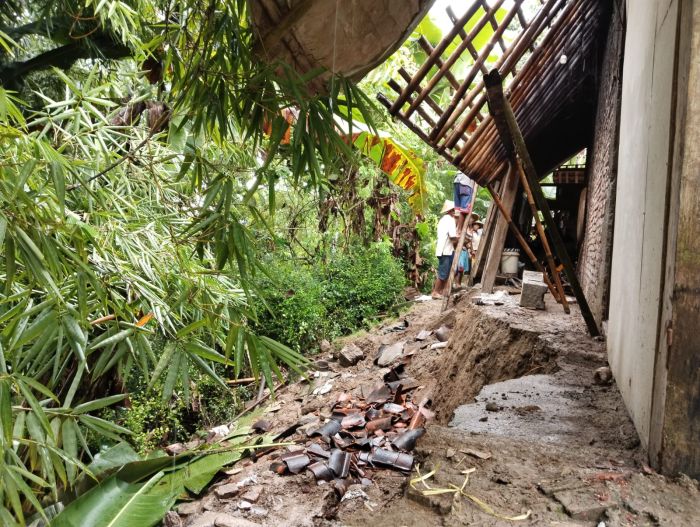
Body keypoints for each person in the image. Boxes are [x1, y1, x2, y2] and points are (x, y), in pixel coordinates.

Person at [432, 200, 458, 299]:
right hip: (445, 250)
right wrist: (460, 240)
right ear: (451, 210)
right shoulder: (450, 220)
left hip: (445, 249)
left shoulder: (443, 219)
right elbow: (452, 237)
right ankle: (435, 292)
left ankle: (441, 291)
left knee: (446, 272)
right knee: (443, 273)